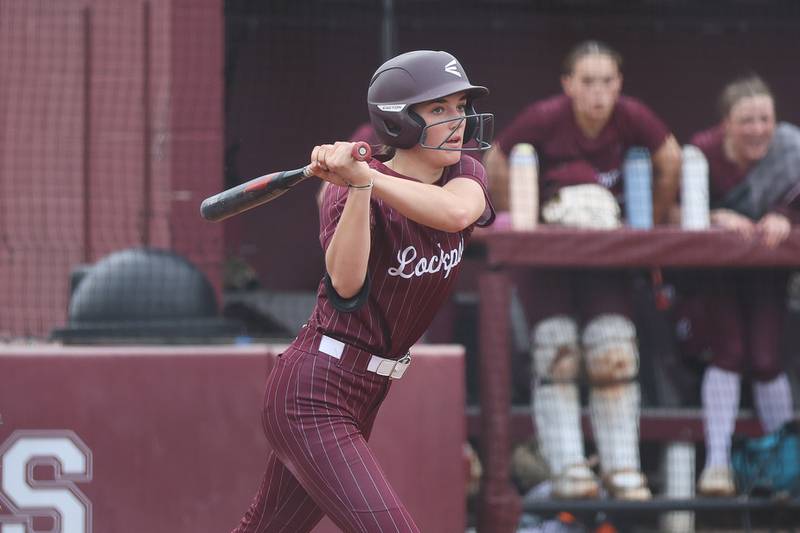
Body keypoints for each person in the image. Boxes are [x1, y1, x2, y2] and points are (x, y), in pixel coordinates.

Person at [231, 50, 495, 532]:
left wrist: (366, 175)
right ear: (398, 122)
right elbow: (345, 284)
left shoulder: (464, 175)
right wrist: (355, 189)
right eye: (438, 110)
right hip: (314, 390)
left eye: (460, 106)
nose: (457, 121)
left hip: (365, 392)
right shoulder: (347, 191)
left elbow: (456, 214)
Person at [482, 40, 682, 500]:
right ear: (568, 85)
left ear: (620, 84)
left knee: (614, 350)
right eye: (587, 81)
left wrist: (644, 226)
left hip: (605, 260)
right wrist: (523, 226)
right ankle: (569, 467)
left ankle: (623, 467)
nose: (598, 92)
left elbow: (670, 157)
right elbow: (497, 157)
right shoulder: (545, 117)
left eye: (607, 81)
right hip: (547, 261)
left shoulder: (631, 117)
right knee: (557, 352)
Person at [680, 74, 800, 496]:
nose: (758, 129)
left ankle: (783, 467)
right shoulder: (700, 152)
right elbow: (678, 206)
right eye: (747, 120)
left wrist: (786, 214)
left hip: (769, 271)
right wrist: (716, 215)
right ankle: (717, 466)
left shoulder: (791, 147)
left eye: (765, 119)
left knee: (766, 359)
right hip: (716, 273)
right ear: (727, 124)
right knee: (729, 352)